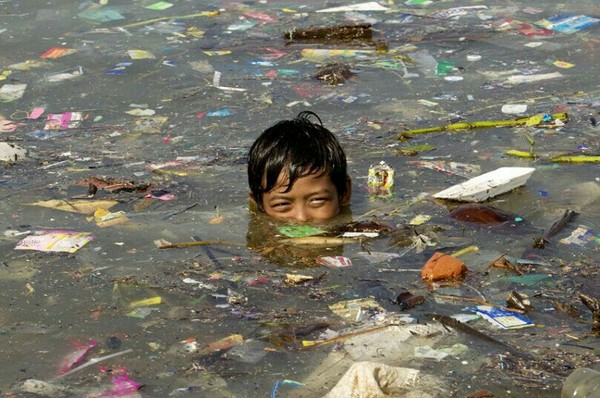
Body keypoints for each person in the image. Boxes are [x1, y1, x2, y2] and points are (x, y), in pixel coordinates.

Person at [247, 111, 352, 224]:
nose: (301, 218)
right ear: (258, 203)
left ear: (345, 192)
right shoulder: (259, 238)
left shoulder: (361, 232)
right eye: (282, 204)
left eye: (317, 200)